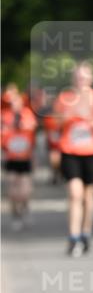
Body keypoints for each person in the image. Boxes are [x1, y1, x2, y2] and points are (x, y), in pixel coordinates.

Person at [54, 62, 93, 256]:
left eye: (85, 77)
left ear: (91, 79)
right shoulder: (65, 98)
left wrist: (90, 121)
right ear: (73, 79)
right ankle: (73, 236)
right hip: (70, 151)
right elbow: (56, 123)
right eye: (78, 77)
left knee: (88, 195)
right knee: (74, 193)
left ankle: (86, 233)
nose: (81, 80)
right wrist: (70, 116)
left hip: (92, 152)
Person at [1, 84, 37, 230]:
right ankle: (15, 214)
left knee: (25, 190)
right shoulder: (4, 116)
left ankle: (24, 207)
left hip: (25, 157)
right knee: (12, 189)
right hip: (11, 157)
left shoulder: (27, 114)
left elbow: (32, 132)